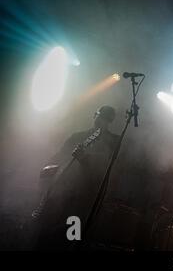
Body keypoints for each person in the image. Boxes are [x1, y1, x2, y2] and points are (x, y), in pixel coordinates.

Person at [33, 105, 119, 249]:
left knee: (71, 239)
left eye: (105, 119)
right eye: (99, 116)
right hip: (60, 193)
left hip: (82, 199)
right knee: (44, 236)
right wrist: (45, 173)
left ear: (110, 122)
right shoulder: (77, 136)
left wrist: (84, 159)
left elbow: (103, 174)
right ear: (94, 115)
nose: (100, 121)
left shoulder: (113, 143)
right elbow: (58, 157)